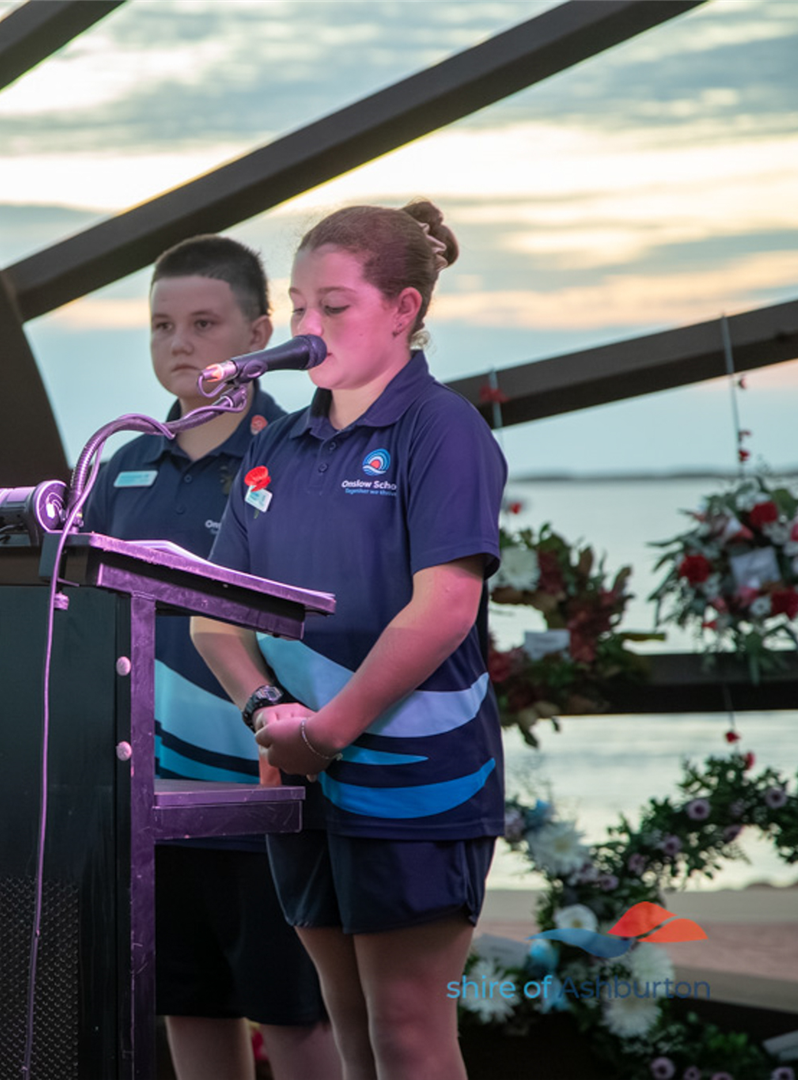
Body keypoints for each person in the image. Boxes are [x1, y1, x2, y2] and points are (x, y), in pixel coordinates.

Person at [192, 200, 506, 1080]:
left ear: (404, 310)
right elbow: (214, 614)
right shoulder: (280, 445)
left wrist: (327, 731)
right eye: (299, 307)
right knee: (351, 1025)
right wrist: (268, 712)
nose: (308, 328)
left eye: (334, 306)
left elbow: (444, 608)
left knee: (408, 1031)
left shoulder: (441, 428)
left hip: (419, 776)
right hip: (303, 773)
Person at [83, 235, 340, 1080]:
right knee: (189, 1006)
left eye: (203, 323)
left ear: (259, 335)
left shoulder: (298, 456)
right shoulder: (122, 464)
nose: (180, 344)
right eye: (162, 326)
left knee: (296, 1016)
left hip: (265, 790)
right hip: (152, 796)